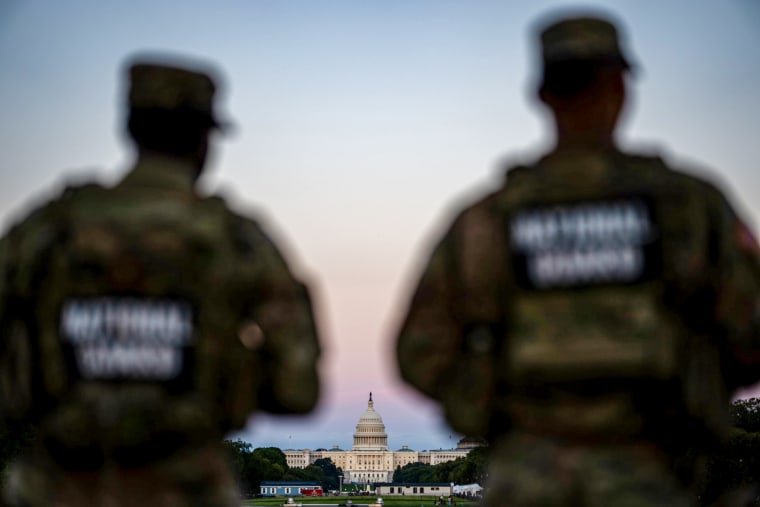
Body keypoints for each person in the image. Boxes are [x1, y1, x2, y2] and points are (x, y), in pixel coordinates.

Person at [395, 11, 760, 507]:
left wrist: (495, 412)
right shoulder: (692, 207)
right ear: (621, 87)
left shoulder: (486, 219)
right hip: (653, 470)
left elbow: (419, 353)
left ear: (542, 94)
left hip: (527, 470)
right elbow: (751, 335)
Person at [0, 56, 321, 506]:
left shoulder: (46, 231)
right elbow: (298, 388)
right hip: (188, 487)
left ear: (129, 127)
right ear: (205, 140)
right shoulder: (236, 240)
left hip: (52, 485)